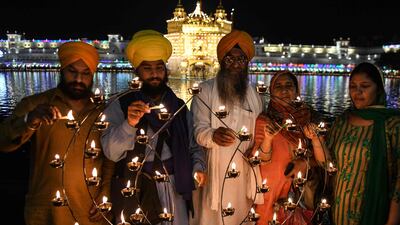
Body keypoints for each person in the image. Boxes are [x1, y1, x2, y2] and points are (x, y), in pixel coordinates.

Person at [0, 41, 115, 225]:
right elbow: (3, 142)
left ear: (92, 76)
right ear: (61, 70)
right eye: (72, 71)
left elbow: (109, 157)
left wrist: (105, 191)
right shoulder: (36, 105)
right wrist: (29, 121)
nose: (79, 79)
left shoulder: (103, 111)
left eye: (85, 73)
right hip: (47, 210)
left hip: (90, 209)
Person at [100, 29, 206, 225]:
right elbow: (111, 153)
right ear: (137, 71)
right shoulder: (121, 104)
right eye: (147, 68)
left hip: (175, 187)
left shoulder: (179, 107)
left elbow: (194, 147)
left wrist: (198, 168)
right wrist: (129, 124)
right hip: (136, 187)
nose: (155, 74)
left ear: (166, 70)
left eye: (159, 67)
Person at [190, 29, 264, 225]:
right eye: (230, 59)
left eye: (241, 60)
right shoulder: (204, 90)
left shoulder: (254, 96)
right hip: (215, 171)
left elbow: (260, 133)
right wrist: (213, 135)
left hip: (244, 172)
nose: (235, 65)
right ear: (222, 61)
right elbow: (198, 131)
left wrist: (256, 150)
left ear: (247, 63)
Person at [248, 70, 328, 225]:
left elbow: (324, 161)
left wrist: (306, 162)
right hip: (270, 192)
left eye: (289, 85)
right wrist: (268, 139)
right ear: (271, 92)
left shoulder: (308, 118)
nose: (284, 90)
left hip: (300, 191)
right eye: (278, 86)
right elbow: (259, 159)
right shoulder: (265, 120)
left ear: (297, 90)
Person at [326, 62, 400, 225]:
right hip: (339, 211)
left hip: (375, 213)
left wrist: (392, 221)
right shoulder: (342, 121)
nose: (357, 92)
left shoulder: (392, 125)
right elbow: (327, 160)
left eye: (364, 86)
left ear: (379, 89)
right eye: (353, 86)